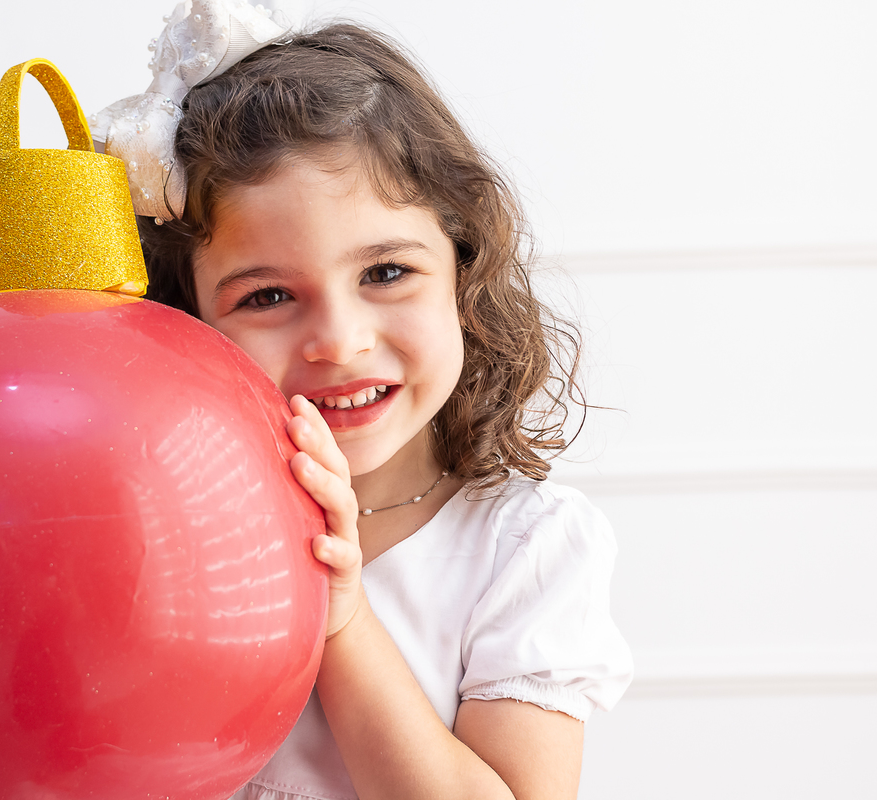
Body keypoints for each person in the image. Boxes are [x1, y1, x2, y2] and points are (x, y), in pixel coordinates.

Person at [92, 3, 633, 798]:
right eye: (269, 295)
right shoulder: (160, 530)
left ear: (462, 268)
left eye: (384, 273)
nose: (338, 341)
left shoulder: (524, 550)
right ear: (189, 322)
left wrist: (341, 619)